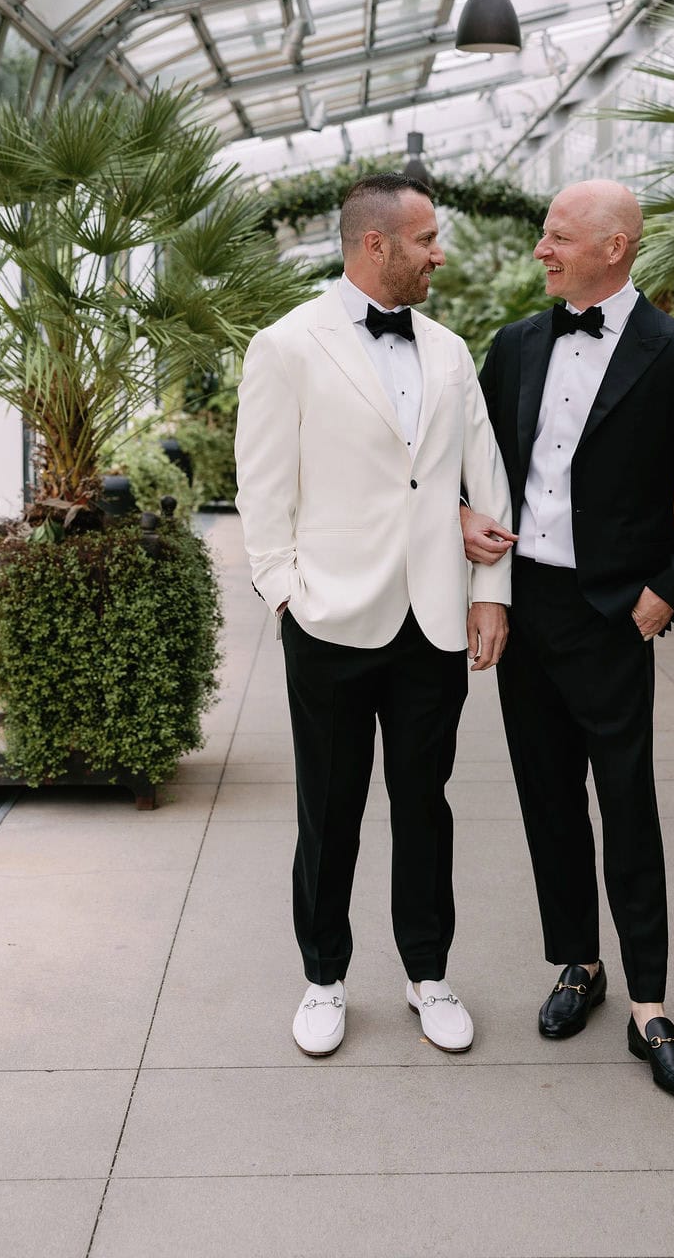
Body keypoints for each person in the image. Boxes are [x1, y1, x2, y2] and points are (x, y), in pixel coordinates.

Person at [464, 178, 674, 1101]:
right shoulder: (512, 347)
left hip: (617, 615)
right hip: (526, 607)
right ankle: (578, 966)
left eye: (558, 237)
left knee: (627, 805)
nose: (541, 250)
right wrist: (485, 580)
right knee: (547, 798)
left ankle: (649, 1006)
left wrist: (667, 594)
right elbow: (472, 478)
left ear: (615, 246)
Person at [235, 173, 512, 1059]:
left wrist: (490, 595)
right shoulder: (287, 346)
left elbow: (485, 479)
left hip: (432, 619)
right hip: (329, 619)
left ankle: (428, 975)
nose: (440, 253)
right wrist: (284, 593)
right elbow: (263, 486)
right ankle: (324, 978)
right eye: (427, 239)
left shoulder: (450, 350)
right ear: (375, 245)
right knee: (331, 808)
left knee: (425, 806)